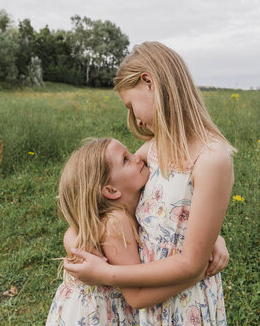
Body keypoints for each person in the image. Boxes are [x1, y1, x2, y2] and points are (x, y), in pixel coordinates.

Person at [64, 41, 235, 325]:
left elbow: (191, 263)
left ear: (149, 83)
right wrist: (76, 244)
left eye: (131, 106)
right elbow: (93, 207)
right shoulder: (153, 150)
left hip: (183, 304)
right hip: (145, 302)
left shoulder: (210, 159)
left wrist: (106, 274)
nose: (136, 121)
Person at [46, 138, 224, 325]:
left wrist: (214, 238)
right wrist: (198, 271)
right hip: (95, 316)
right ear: (111, 190)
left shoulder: (133, 196)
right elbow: (136, 297)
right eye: (125, 159)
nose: (138, 157)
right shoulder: (116, 222)